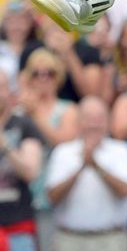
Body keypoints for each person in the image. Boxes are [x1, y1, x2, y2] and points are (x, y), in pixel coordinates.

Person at [45, 96, 127, 251]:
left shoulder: (122, 150)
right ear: (78, 122)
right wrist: (81, 166)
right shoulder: (63, 152)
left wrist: (96, 166)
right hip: (70, 239)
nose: (94, 125)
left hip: (112, 239)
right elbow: (52, 197)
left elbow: (126, 191)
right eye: (88, 118)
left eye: (99, 118)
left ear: (108, 121)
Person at [0, 68, 43, 251]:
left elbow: (31, 172)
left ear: (10, 91)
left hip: (17, 228)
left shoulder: (24, 124)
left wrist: (5, 145)